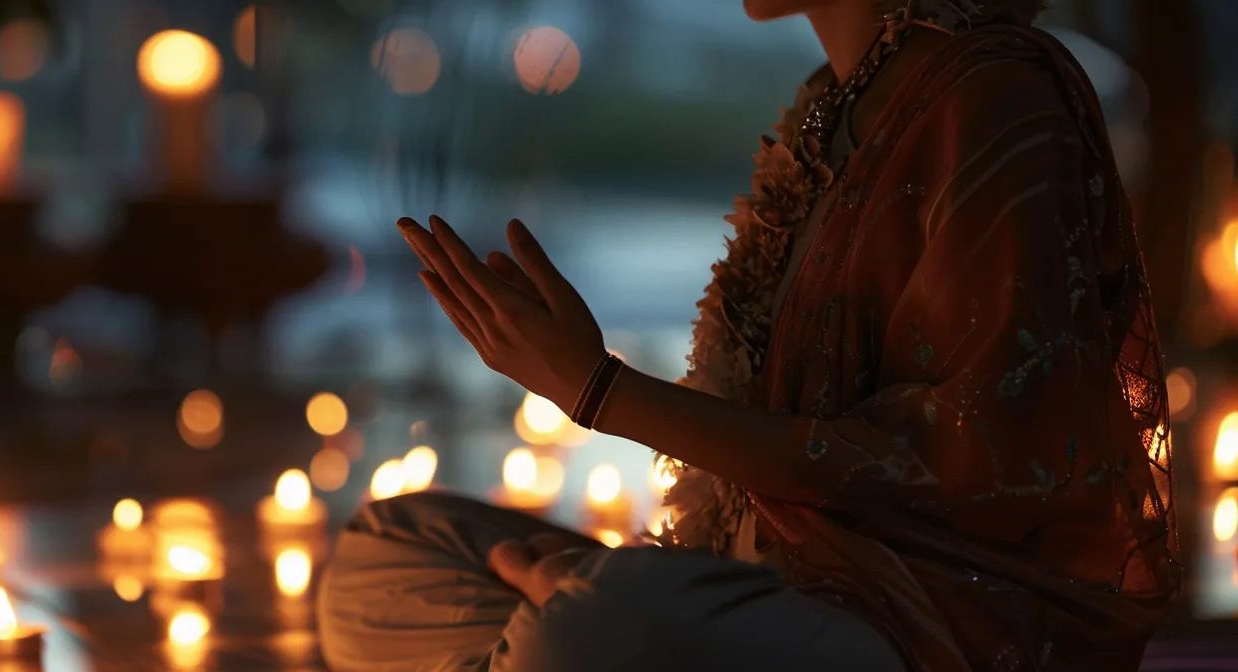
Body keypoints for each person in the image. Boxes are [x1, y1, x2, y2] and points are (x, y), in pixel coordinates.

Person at [317, 0, 1180, 670]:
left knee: (597, 627)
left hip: (925, 621)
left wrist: (598, 390)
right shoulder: (825, 100)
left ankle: (581, 620)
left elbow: (967, 463)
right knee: (386, 553)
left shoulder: (999, 96)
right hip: (760, 586)